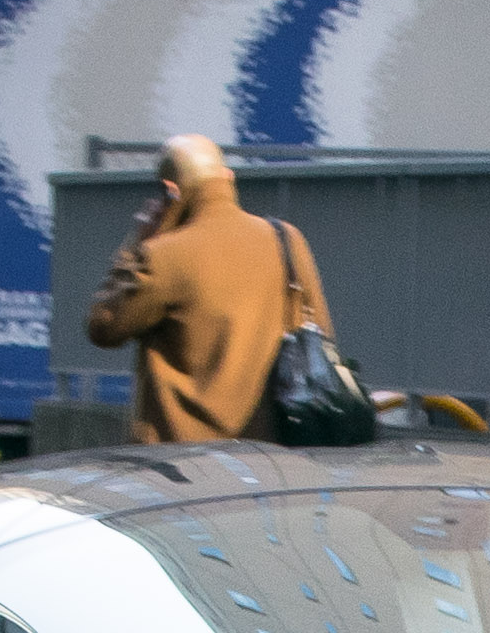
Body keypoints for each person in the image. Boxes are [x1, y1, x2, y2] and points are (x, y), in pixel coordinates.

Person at [84, 135, 332, 443]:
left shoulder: (162, 255)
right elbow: (322, 337)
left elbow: (103, 326)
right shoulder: (287, 241)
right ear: (229, 178)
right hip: (273, 459)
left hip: (184, 468)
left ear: (170, 192)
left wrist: (137, 242)